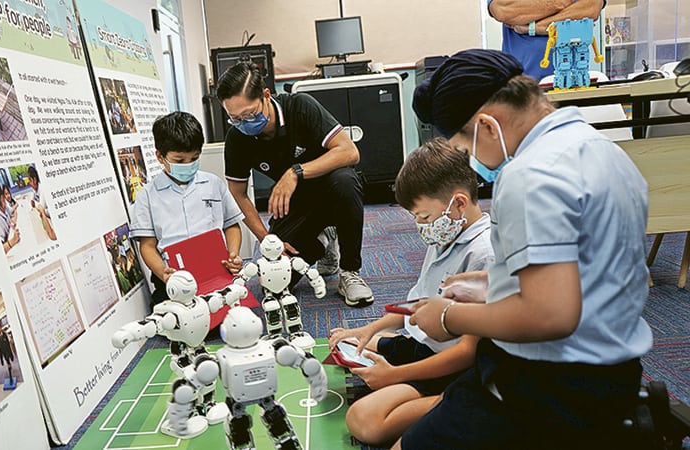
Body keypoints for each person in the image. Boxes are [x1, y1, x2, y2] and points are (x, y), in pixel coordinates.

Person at [397, 48, 652, 449]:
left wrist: (449, 316)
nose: (469, 158)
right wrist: (489, 283)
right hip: (615, 373)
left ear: (485, 124)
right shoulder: (604, 151)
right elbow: (589, 269)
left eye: (463, 145)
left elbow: (549, 315)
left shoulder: (530, 176)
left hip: (554, 389)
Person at [328, 138, 494, 447]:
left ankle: (448, 402)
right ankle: (393, 370)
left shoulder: (484, 255)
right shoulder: (445, 235)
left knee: (364, 421)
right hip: (423, 346)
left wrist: (393, 375)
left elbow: (467, 353)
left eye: (425, 217)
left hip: (451, 368)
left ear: (458, 203)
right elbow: (415, 303)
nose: (421, 227)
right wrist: (367, 329)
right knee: (347, 344)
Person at [216, 61, 373, 306]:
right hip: (296, 205)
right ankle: (324, 240)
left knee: (345, 180)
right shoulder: (237, 138)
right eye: (235, 118)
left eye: (249, 114)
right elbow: (237, 193)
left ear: (266, 95)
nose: (244, 123)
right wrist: (267, 239)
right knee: (276, 282)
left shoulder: (300, 106)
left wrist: (295, 172)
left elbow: (349, 151)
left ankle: (349, 272)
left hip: (332, 191)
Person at [129, 111, 245, 307]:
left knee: (232, 318)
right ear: (160, 156)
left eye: (194, 158)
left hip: (216, 269)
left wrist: (233, 255)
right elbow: (147, 246)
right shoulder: (147, 196)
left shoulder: (213, 184)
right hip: (174, 276)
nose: (188, 165)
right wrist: (162, 273)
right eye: (179, 160)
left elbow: (231, 225)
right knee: (178, 322)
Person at [488, 0, 604, 81]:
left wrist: (533, 28)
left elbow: (590, 8)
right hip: (522, 81)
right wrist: (558, 3)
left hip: (572, 80)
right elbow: (502, 10)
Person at [27, 166, 57, 240]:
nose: (29, 183)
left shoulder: (42, 189)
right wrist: (35, 203)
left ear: (35, 180)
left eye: (30, 180)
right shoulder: (35, 189)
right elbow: (32, 201)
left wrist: (38, 206)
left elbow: (41, 208)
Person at [0, 182, 20, 254]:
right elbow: (0, 250)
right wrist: (13, 240)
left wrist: (13, 221)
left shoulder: (5, 208)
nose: (7, 198)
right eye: (4, 196)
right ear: (1, 198)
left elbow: (13, 212)